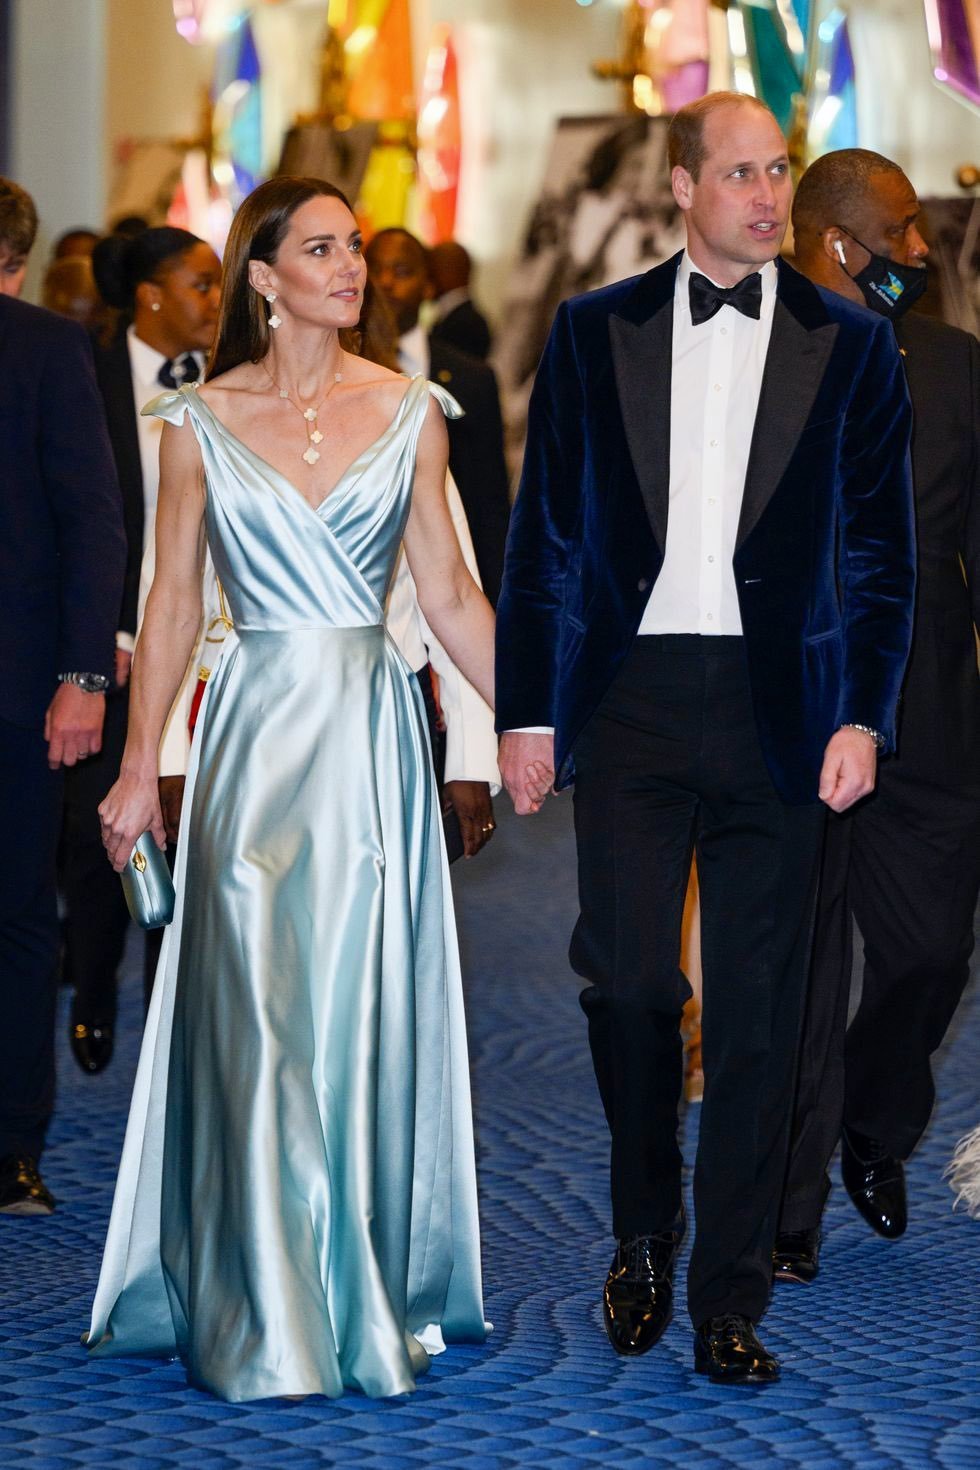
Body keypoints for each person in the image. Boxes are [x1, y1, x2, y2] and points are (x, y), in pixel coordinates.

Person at [496, 92, 916, 1385]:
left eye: (777, 171)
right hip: (630, 698)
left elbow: (880, 552)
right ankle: (642, 1228)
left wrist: (864, 713)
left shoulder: (852, 344)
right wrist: (526, 710)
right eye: (739, 173)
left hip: (779, 708)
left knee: (757, 1012)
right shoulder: (594, 329)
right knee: (629, 984)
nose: (767, 195)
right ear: (681, 187)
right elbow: (543, 530)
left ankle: (728, 1292)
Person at [86, 176, 494, 1402]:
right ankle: (260, 1306)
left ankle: (355, 1283)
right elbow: (170, 605)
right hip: (252, 745)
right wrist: (138, 767)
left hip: (370, 745)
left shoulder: (412, 410)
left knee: (354, 1014)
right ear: (262, 277)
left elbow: (450, 595)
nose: (350, 266)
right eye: (320, 249)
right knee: (256, 1020)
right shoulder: (196, 423)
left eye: (353, 246)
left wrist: (538, 718)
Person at [773, 150, 980, 1284]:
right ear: (839, 243)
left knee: (931, 954)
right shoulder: (749, 352)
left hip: (929, 717)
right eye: (899, 233)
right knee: (795, 971)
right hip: (788, 711)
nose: (919, 250)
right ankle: (784, 1206)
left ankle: (873, 1120)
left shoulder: (952, 367)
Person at [60, 228, 221, 1073]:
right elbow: (79, 520)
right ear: (151, 294)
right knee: (104, 842)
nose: (217, 300)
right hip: (111, 650)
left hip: (204, 649)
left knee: (186, 833)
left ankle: (166, 1024)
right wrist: (101, 639)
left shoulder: (232, 376)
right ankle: (92, 993)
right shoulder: (84, 371)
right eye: (201, 284)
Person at [0, 177, 125, 1214]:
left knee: (14, 916)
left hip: (17, 690)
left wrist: (84, 675)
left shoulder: (47, 348)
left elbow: (94, 519)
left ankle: (12, 1144)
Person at [365, 227, 512, 604]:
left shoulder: (472, 378)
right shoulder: (337, 370)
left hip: (451, 584)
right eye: (375, 270)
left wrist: (496, 600)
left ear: (429, 285)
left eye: (401, 271)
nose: (386, 282)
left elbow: (489, 503)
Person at [428, 240, 493, 360]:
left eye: (431, 271)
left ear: (449, 271)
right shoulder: (458, 317)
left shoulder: (466, 324)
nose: (426, 280)